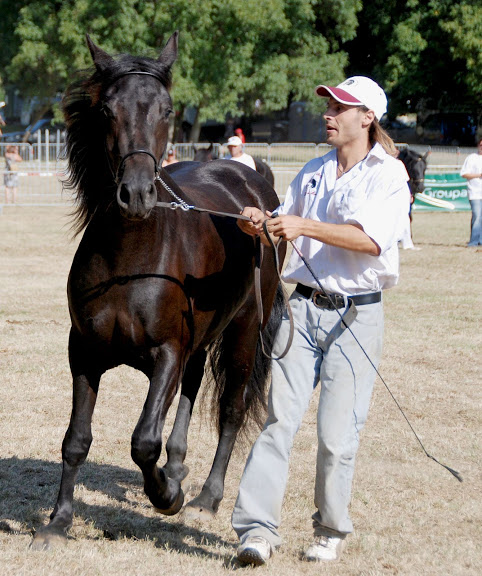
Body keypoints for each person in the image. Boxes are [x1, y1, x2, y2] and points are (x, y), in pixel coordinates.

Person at [232, 76, 411, 566]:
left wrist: (304, 225)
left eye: (341, 107)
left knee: (337, 435)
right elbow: (281, 220)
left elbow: (372, 241)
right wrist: (260, 222)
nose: (329, 113)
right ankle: (256, 532)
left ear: (367, 118)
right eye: (329, 105)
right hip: (302, 308)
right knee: (277, 422)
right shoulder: (312, 171)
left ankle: (329, 530)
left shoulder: (390, 175)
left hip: (356, 316)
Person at [460, 138, 482, 246]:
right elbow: (464, 173)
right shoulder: (472, 158)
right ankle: (473, 241)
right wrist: (479, 175)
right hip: (475, 192)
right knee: (477, 215)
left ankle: (480, 240)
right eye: (481, 145)